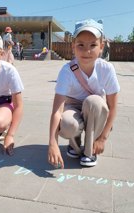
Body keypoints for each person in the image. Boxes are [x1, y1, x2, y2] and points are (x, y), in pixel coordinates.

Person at [48, 19, 120, 168]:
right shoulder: (67, 71)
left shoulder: (106, 69)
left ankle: (89, 151)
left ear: (101, 47)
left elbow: (112, 107)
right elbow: (57, 111)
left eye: (93, 45)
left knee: (94, 102)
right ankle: (74, 145)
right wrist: (52, 143)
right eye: (81, 45)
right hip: (72, 105)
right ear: (73, 46)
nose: (87, 51)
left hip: (94, 107)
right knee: (67, 123)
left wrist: (103, 138)